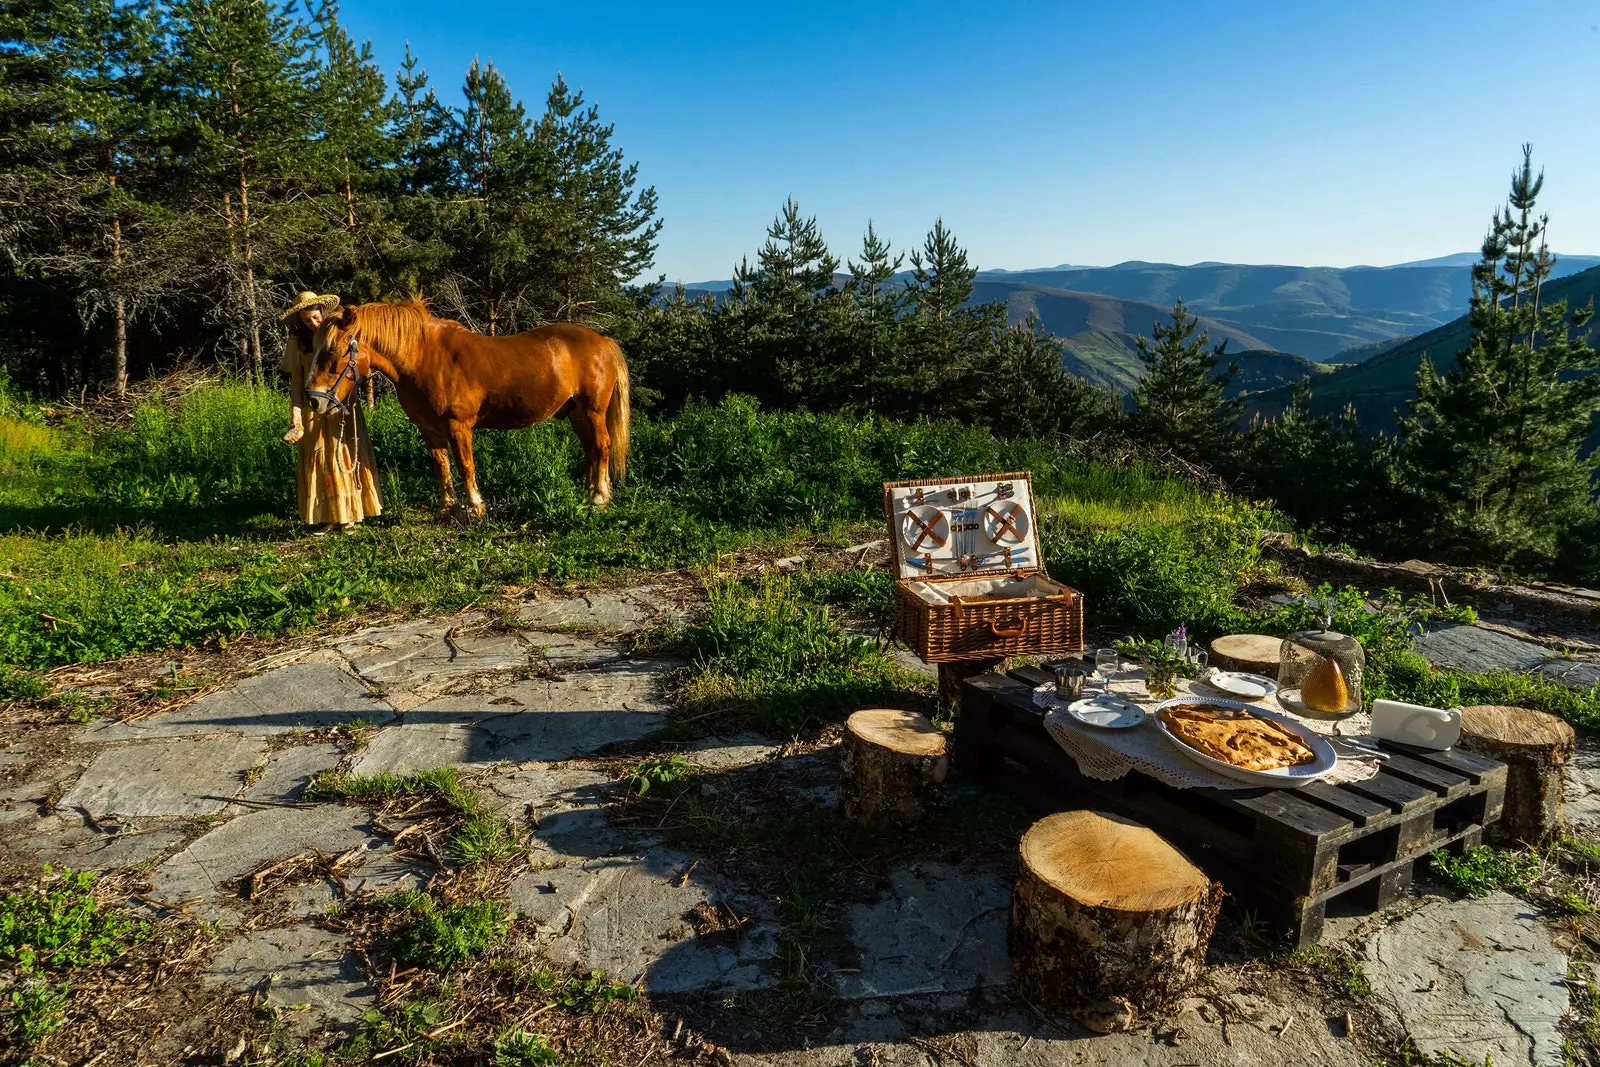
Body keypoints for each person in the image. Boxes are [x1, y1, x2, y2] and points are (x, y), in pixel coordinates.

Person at [279, 290, 382, 533]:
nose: (312, 323)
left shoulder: (336, 336)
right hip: (312, 408)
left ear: (323, 313)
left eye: (315, 317)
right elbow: (296, 382)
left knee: (343, 455)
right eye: (306, 320)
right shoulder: (299, 343)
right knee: (320, 460)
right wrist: (295, 415)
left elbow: (352, 368)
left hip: (341, 404)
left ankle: (348, 515)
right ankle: (328, 517)